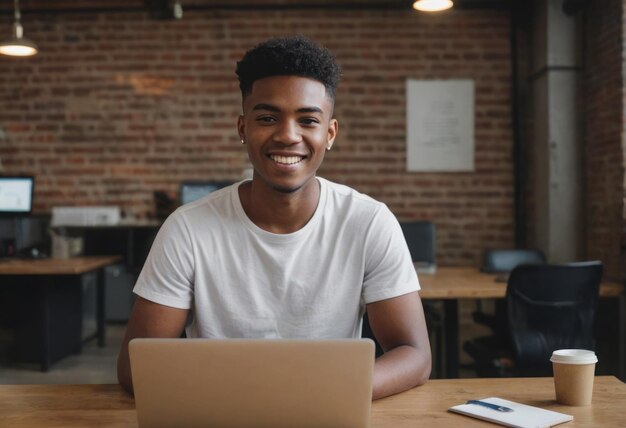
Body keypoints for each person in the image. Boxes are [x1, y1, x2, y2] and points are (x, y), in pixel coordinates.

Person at [117, 35, 431, 399]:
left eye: (308, 120)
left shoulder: (368, 222)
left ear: (330, 134)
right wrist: (257, 396)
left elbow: (415, 355)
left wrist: (319, 393)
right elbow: (134, 367)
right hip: (221, 414)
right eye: (267, 118)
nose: (287, 136)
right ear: (242, 128)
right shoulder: (187, 228)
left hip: (326, 411)